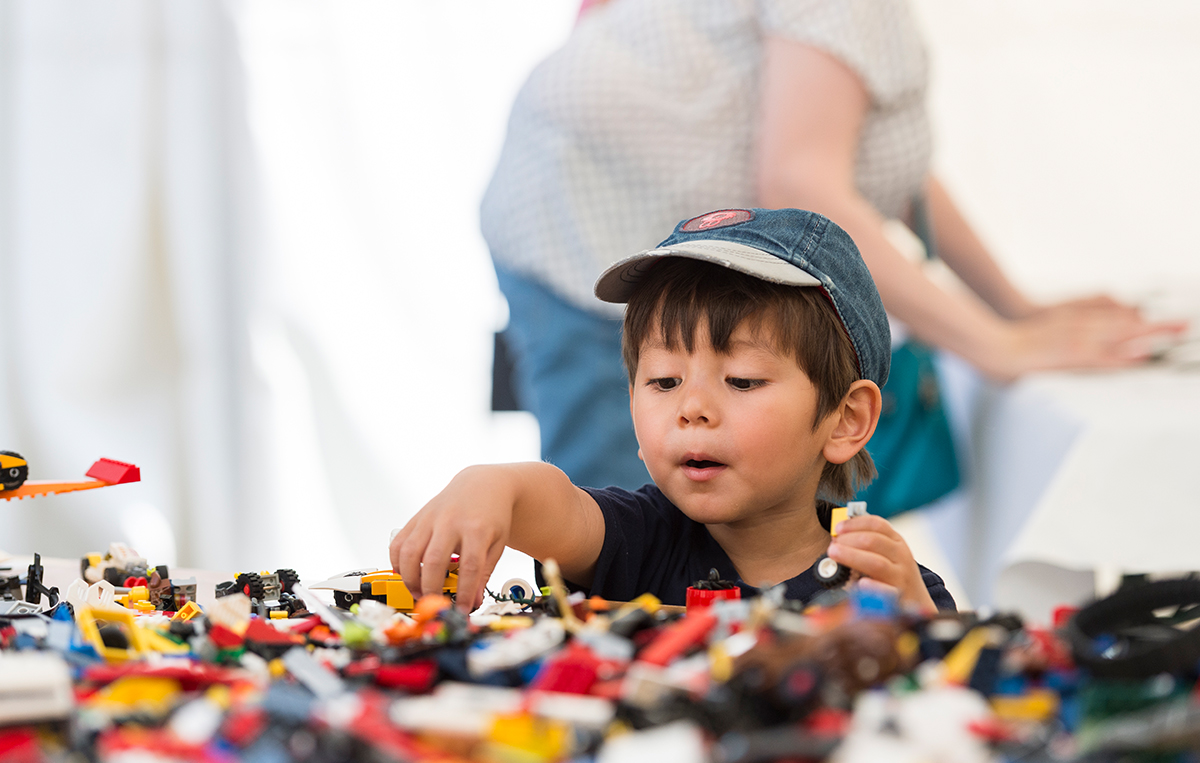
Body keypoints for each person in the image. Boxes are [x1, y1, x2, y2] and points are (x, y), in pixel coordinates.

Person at [481, 0, 1184, 510]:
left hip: (608, 193)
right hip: (576, 217)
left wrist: (1014, 309)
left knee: (722, 506)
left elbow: (883, 168)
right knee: (627, 519)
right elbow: (800, 180)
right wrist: (996, 345)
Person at [393, 208, 955, 615]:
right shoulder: (644, 538)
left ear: (846, 419)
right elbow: (560, 507)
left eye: (742, 380)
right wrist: (490, 488)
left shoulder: (885, 580)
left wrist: (920, 635)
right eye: (663, 381)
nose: (692, 408)